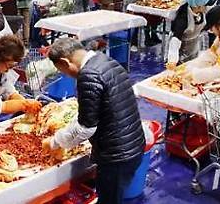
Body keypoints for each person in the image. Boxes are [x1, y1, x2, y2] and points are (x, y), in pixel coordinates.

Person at [43, 37, 145, 204]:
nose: (66, 75)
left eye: (62, 71)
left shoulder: (88, 75)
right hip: (133, 146)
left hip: (117, 156)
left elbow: (85, 128)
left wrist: (55, 142)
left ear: (65, 62)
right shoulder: (105, 60)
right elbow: (95, 110)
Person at [166, 0, 215, 69]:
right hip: (180, 51)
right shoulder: (183, 18)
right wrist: (172, 61)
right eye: (205, 5)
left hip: (193, 46)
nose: (207, 7)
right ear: (197, 6)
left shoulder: (201, 12)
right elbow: (175, 40)